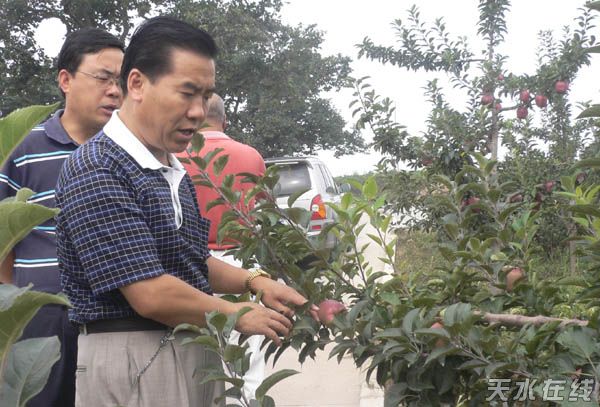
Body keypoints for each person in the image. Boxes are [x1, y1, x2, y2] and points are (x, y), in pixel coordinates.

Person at [55, 16, 316, 407]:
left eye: (205, 96)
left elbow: (190, 259)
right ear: (137, 84)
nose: (198, 112)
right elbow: (149, 293)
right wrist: (235, 313)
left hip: (189, 343)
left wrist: (256, 282)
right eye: (187, 93)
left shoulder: (169, 167)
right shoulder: (98, 167)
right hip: (135, 355)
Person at [0, 28, 124, 407]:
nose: (115, 91)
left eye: (122, 81)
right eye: (103, 78)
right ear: (66, 80)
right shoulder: (23, 146)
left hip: (112, 318)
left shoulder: (125, 154)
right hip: (41, 318)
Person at [178, 93, 267, 401]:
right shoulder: (250, 155)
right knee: (248, 354)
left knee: (199, 352)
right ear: (225, 121)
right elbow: (261, 206)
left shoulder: (175, 156)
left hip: (192, 265)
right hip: (242, 261)